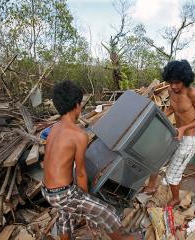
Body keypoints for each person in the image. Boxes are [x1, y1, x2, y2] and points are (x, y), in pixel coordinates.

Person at [42, 80, 136, 240]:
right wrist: (87, 201)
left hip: (47, 191)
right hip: (62, 194)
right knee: (107, 213)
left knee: (66, 213)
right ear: (77, 105)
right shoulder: (78, 134)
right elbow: (80, 174)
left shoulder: (55, 127)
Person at [142, 60, 195, 206]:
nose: (173, 86)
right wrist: (160, 117)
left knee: (172, 174)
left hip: (188, 139)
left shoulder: (193, 94)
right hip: (174, 134)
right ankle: (152, 186)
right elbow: (174, 108)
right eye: (171, 82)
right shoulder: (171, 90)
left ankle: (175, 198)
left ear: (185, 79)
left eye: (177, 82)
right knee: (155, 159)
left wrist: (185, 128)